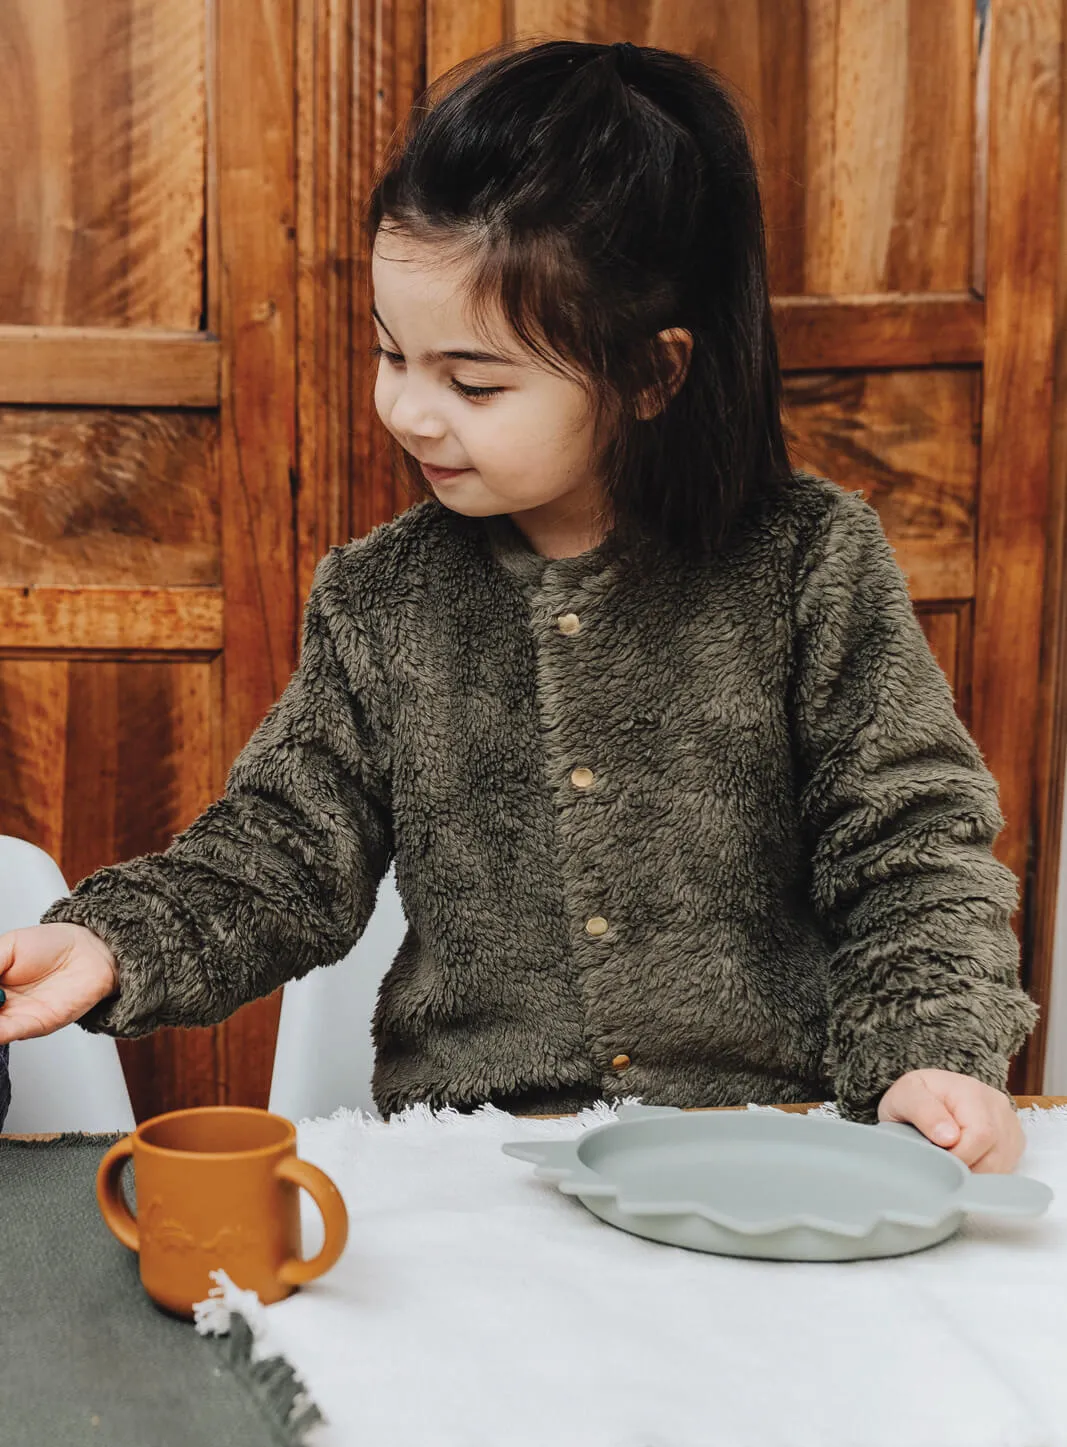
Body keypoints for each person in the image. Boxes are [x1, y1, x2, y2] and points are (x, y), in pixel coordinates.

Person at [0, 39, 1038, 1168]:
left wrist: (926, 1055)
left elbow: (910, 848)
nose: (409, 411)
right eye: (392, 355)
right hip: (478, 1169)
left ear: (651, 374)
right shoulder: (382, 597)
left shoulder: (807, 566)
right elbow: (282, 851)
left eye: (473, 382)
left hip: (764, 1153)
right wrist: (110, 940)